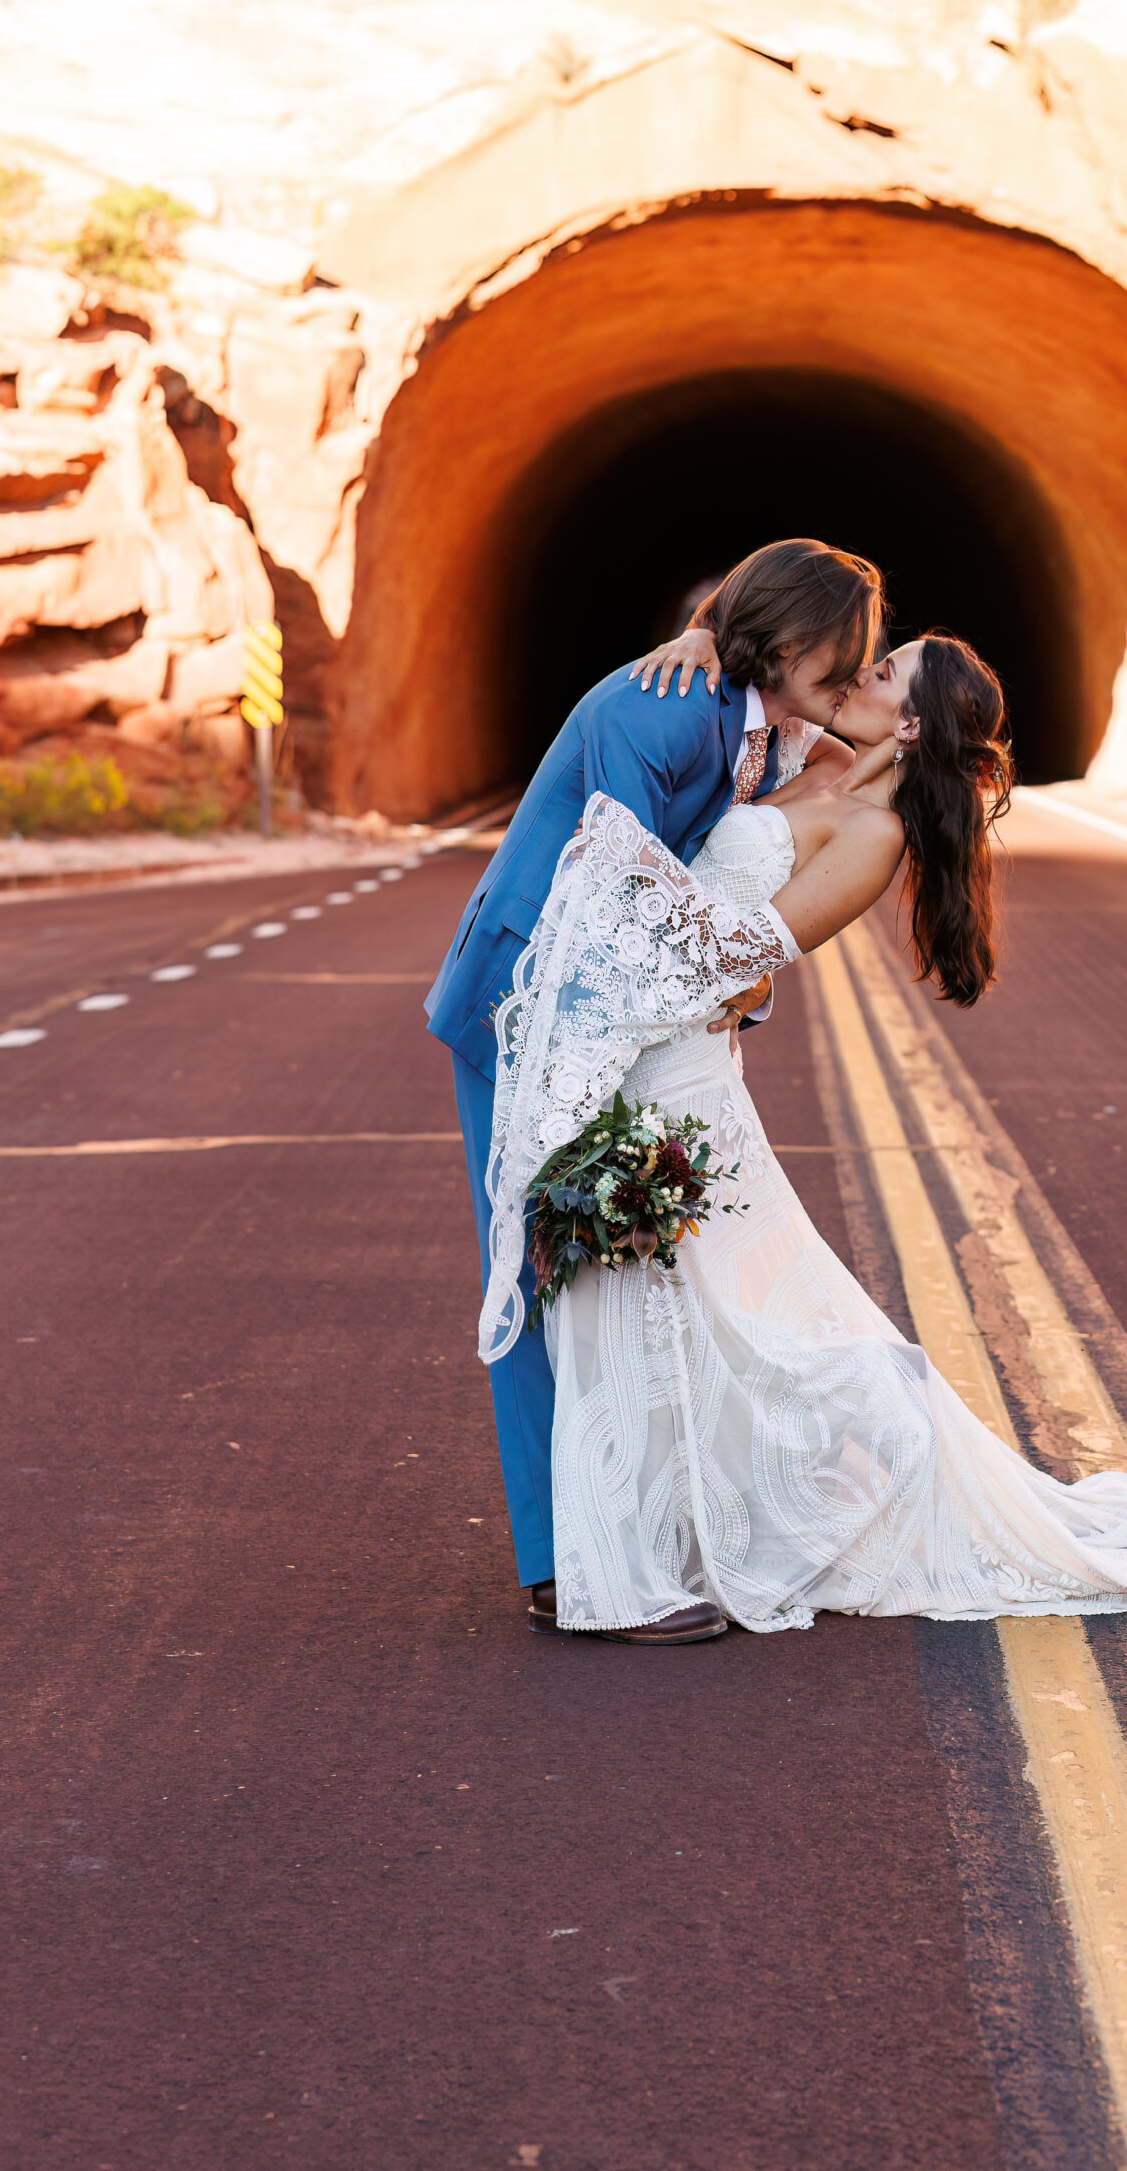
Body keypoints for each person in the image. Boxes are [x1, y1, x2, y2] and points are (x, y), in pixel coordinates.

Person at [485, 627, 1127, 1641]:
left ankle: (705, 1543)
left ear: (915, 720)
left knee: (721, 1316)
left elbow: (748, 955)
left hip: (683, 1083)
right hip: (651, 1054)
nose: (858, 676)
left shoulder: (879, 832)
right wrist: (705, 633)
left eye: (881, 673)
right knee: (677, 1313)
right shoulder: (817, 757)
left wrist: (628, 902)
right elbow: (746, 696)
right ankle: (643, 1547)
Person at [426, 538, 884, 1642]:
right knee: (546, 1270)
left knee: (614, 1267)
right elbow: (614, 901)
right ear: (777, 645)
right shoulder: (664, 711)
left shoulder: (752, 720)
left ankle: (620, 1533)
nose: (861, 674)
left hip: (606, 1009)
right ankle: (565, 1571)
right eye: (847, 659)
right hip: (527, 1004)